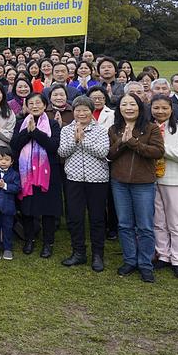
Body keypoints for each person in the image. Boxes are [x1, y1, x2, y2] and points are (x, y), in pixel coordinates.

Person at [107, 93, 165, 283]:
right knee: (124, 224)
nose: (128, 108)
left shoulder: (151, 128)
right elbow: (110, 155)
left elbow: (157, 152)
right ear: (120, 108)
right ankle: (130, 260)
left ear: (140, 107)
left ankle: (145, 264)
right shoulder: (114, 128)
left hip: (143, 183)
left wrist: (133, 142)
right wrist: (122, 142)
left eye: (132, 104)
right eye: (125, 104)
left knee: (145, 225)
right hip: (119, 182)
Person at [57, 96, 111, 272]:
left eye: (85, 110)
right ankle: (78, 252)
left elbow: (103, 152)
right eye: (78, 110)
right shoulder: (67, 130)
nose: (81, 113)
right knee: (75, 217)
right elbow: (62, 151)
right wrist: (75, 139)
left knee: (96, 218)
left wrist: (83, 140)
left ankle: (97, 255)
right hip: (74, 179)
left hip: (97, 180)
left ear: (91, 111)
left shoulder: (101, 130)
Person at [11, 93, 62, 258]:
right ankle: (29, 239)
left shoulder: (53, 124)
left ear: (45, 105)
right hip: (26, 173)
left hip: (47, 172)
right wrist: (28, 131)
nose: (34, 106)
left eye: (38, 103)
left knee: (47, 209)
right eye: (31, 103)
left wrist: (36, 132)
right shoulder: (21, 124)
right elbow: (15, 145)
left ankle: (48, 243)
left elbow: (53, 146)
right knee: (27, 207)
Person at [149, 95, 178, 279]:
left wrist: (162, 149)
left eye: (164, 108)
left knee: (177, 223)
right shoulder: (148, 129)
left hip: (175, 181)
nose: (160, 111)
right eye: (156, 108)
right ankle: (163, 255)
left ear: (171, 110)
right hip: (151, 180)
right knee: (158, 221)